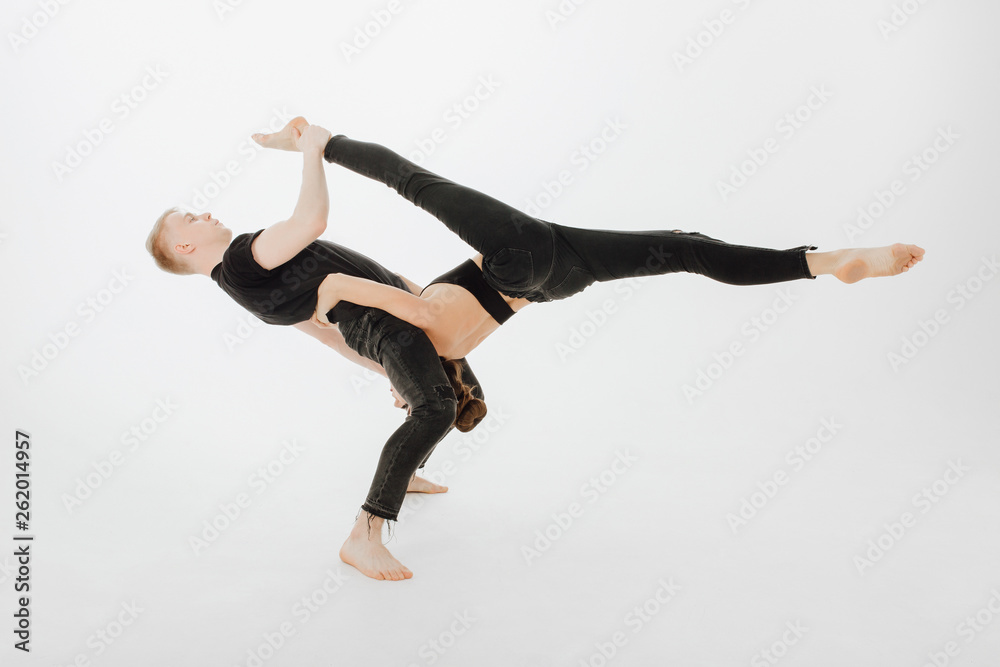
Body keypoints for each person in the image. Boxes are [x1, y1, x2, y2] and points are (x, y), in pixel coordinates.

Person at [249, 121, 926, 364]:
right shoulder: (423, 320)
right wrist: (314, 149)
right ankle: (320, 138)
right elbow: (379, 323)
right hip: (523, 256)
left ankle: (820, 263)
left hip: (554, 282)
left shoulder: (450, 343)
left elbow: (368, 351)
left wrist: (394, 379)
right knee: (414, 182)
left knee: (684, 246)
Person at [146, 121, 495, 582]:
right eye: (192, 218)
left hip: (402, 312)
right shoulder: (239, 259)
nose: (205, 214)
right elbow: (312, 221)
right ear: (184, 246)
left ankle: (405, 470)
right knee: (436, 408)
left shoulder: (244, 283)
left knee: (454, 398)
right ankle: (364, 536)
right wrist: (312, 150)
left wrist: (391, 370)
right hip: (387, 322)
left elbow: (332, 338)